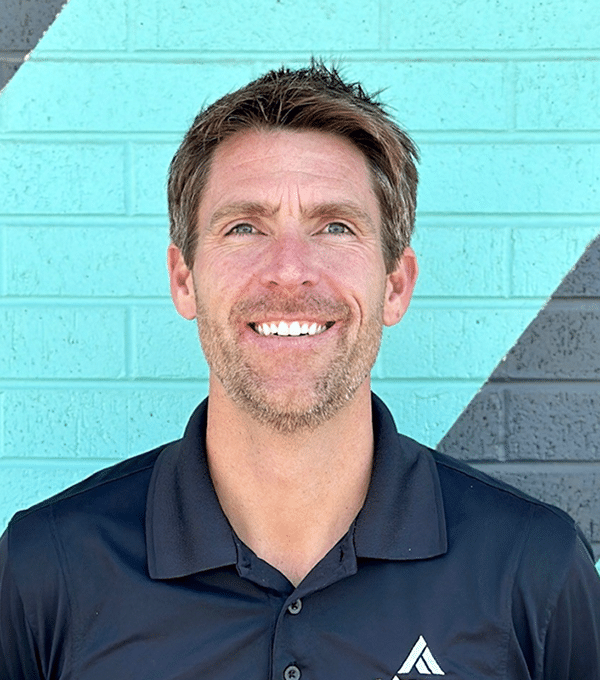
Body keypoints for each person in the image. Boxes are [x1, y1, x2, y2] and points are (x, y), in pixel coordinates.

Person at [1, 62, 599, 680]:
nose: (289, 269)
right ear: (185, 281)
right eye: (244, 227)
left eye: (335, 226)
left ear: (395, 285)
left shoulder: (532, 572)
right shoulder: (50, 571)